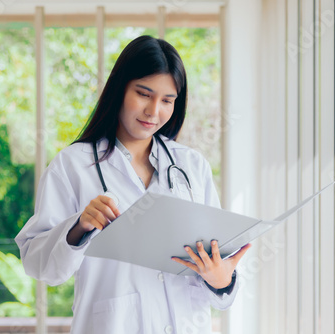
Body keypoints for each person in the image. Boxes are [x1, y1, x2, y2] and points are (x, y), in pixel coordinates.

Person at [15, 35, 251, 334]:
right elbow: (40, 266)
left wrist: (221, 280)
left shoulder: (192, 167)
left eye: (167, 100)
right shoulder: (72, 165)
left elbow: (218, 280)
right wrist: (79, 227)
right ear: (120, 89)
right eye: (143, 94)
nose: (154, 111)